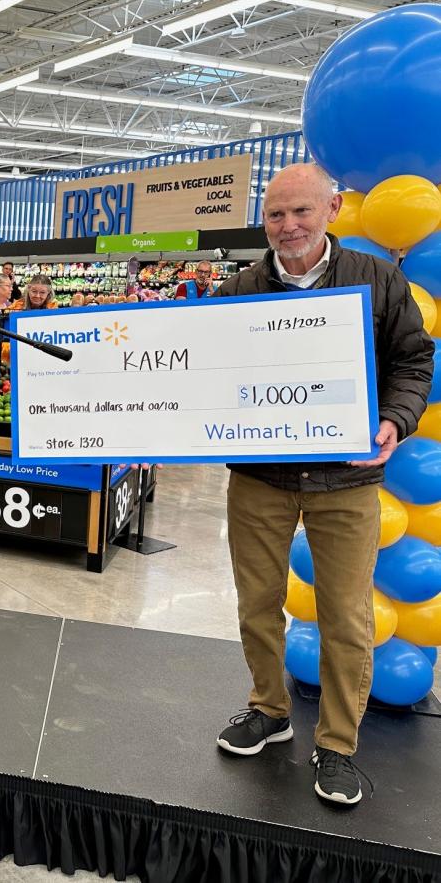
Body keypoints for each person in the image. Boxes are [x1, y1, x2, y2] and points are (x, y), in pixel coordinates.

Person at [213, 163, 433, 806]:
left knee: (347, 617)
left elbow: (413, 359)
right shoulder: (238, 289)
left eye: (302, 212)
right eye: (276, 214)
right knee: (257, 603)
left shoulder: (376, 279)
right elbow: (204, 372)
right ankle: (269, 709)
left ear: (333, 209)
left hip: (346, 480)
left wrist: (396, 417)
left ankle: (336, 745)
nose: (289, 226)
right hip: (259, 477)